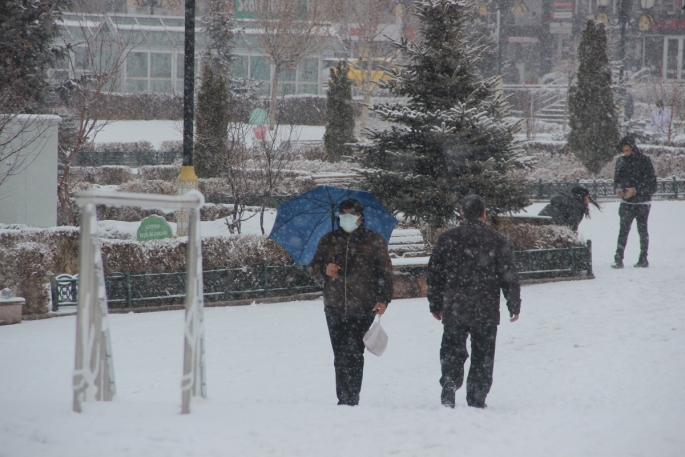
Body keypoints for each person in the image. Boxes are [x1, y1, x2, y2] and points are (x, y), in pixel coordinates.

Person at [426, 195, 521, 409]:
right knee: (483, 354)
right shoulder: (496, 239)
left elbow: (434, 273)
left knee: (452, 347)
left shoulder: (447, 238)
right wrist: (513, 303)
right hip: (485, 305)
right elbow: (508, 274)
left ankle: (450, 380)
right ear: (484, 213)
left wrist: (435, 302)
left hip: (455, 304)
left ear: (462, 213)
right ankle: (477, 396)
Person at [308, 198, 394, 406]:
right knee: (340, 356)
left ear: (360, 217)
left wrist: (384, 299)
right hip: (334, 306)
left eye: (351, 215)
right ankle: (343, 398)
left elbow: (385, 272)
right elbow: (313, 268)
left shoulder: (374, 241)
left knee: (355, 354)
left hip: (363, 307)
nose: (346, 219)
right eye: (343, 214)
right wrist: (324, 271)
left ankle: (351, 397)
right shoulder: (328, 240)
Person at [612, 136, 657, 269]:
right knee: (623, 231)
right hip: (626, 203)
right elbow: (616, 180)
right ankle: (618, 259)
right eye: (623, 151)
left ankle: (643, 258)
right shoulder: (620, 161)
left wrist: (635, 190)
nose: (625, 153)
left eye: (627, 150)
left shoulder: (644, 161)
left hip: (642, 203)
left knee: (642, 231)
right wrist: (618, 190)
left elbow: (652, 185)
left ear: (633, 148)